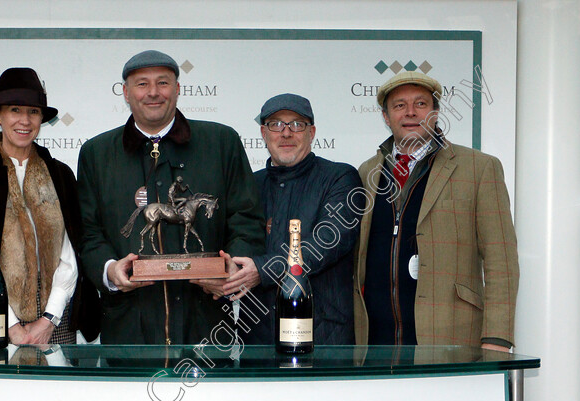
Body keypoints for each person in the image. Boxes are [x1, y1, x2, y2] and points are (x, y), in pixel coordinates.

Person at [77, 49, 264, 344]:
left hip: (207, 326)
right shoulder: (96, 154)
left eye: (163, 83)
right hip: (128, 330)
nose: (153, 93)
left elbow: (246, 218)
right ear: (126, 93)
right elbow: (88, 232)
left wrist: (233, 266)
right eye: (142, 84)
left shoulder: (221, 142)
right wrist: (109, 270)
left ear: (177, 90)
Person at [354, 71, 518, 349]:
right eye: (399, 105)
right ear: (385, 117)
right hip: (376, 343)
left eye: (420, 104)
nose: (410, 113)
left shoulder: (479, 168)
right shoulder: (367, 172)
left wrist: (497, 338)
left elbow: (501, 261)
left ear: (435, 113)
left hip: (451, 335)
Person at [0, 67, 100, 345]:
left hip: (55, 324)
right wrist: (10, 325)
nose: (25, 120)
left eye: (33, 112)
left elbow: (70, 253)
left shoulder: (60, 175)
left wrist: (49, 319)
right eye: (15, 110)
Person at [222, 94, 362, 345]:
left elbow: (328, 243)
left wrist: (262, 270)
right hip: (258, 339)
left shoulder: (340, 177)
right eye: (276, 124)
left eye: (297, 124)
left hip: (323, 338)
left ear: (312, 132)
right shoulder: (250, 185)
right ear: (264, 134)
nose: (286, 133)